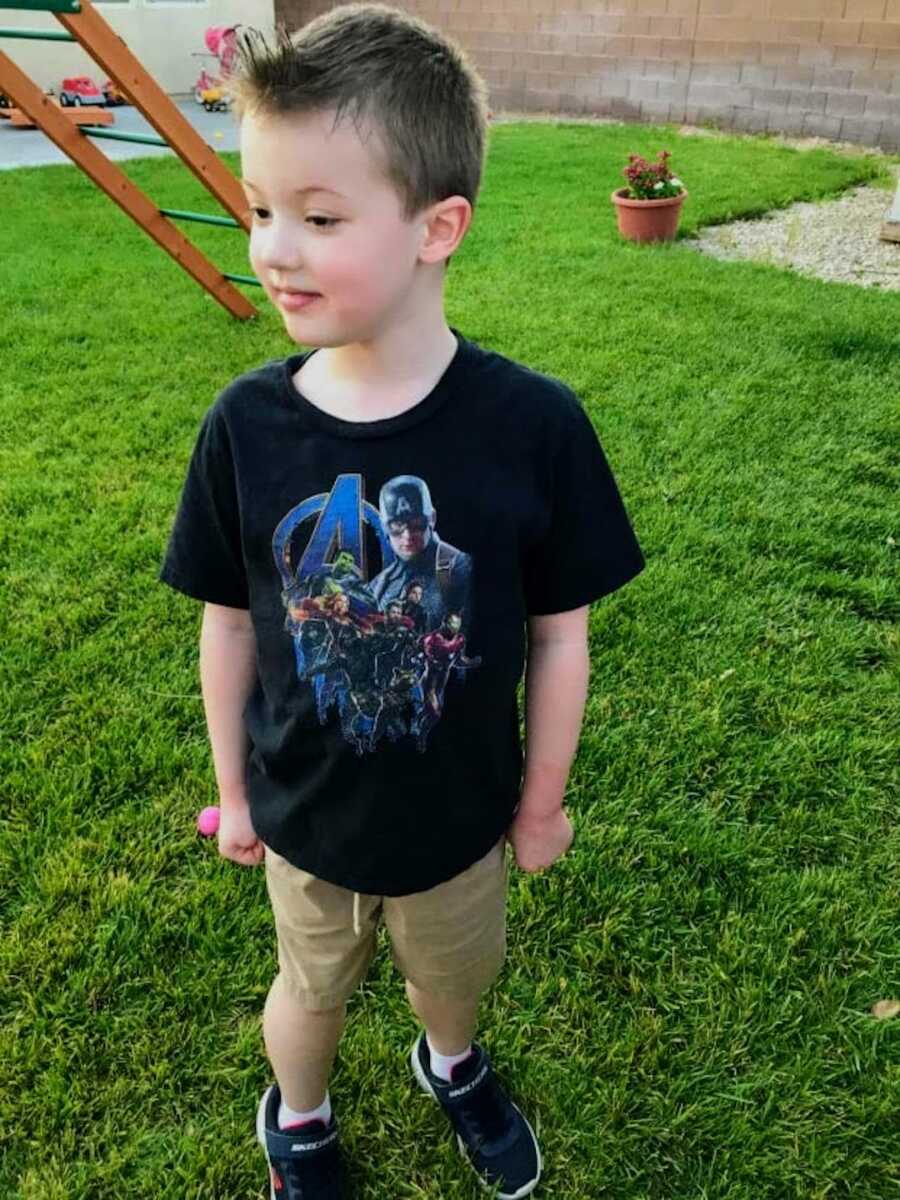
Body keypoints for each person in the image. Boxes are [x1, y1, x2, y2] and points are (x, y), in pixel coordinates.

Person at [158, 5, 645, 1198]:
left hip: (462, 817)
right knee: (309, 990)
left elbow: (558, 633)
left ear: (440, 227)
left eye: (318, 217)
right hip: (306, 818)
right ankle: (303, 1119)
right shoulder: (246, 425)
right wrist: (230, 792)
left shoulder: (533, 427)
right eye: (261, 207)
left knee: (453, 976)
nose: (272, 246)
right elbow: (227, 620)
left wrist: (540, 807)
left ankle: (452, 1061)